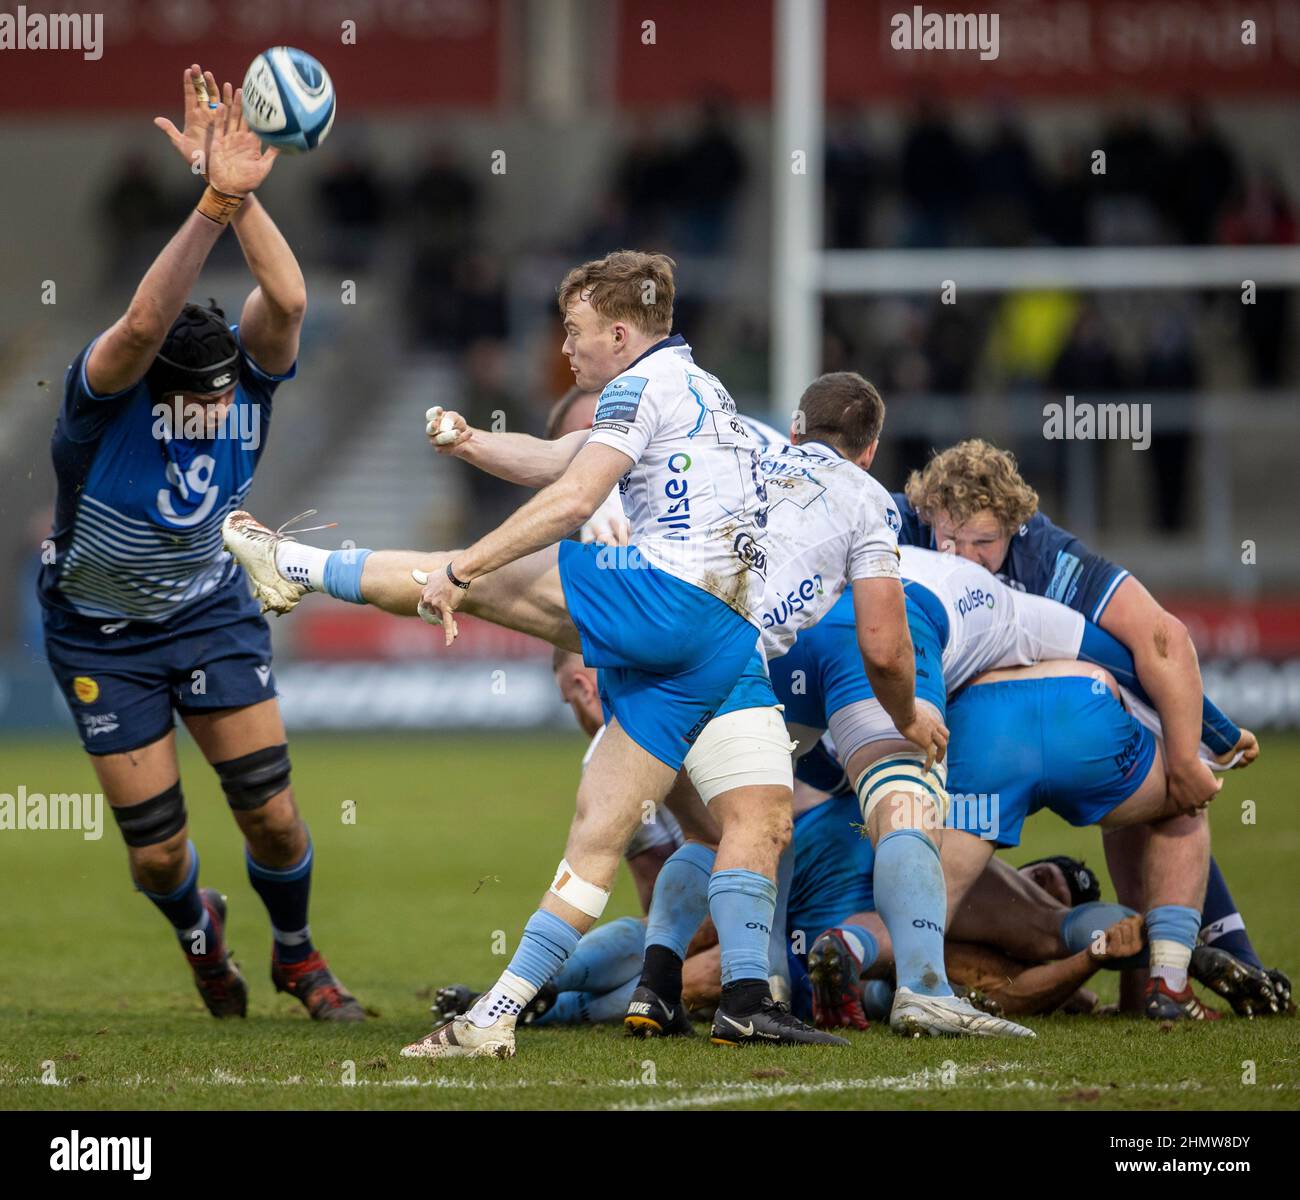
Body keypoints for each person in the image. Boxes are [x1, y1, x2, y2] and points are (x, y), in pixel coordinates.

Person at [225, 250, 819, 1057]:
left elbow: (574, 497)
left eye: (573, 331)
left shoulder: (639, 385)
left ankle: (294, 565)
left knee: (465, 581)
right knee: (665, 827)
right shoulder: (695, 382)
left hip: (665, 597)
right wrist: (472, 444)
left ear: (618, 330)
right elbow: (564, 461)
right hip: (718, 636)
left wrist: (471, 564)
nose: (564, 349)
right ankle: (542, 1011)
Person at [38, 66, 362, 1021]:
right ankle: (199, 931)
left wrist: (243, 195)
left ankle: (299, 959)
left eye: (227, 388)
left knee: (270, 810)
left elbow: (290, 302)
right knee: (158, 851)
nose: (219, 405)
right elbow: (143, 322)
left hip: (209, 609)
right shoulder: (98, 411)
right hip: (100, 635)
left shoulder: (245, 385)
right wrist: (212, 203)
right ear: (153, 391)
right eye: (199, 395)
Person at [897, 439, 1286, 1016]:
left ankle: (887, 979)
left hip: (972, 737)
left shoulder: (906, 533)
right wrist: (1202, 745)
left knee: (916, 901)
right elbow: (1158, 642)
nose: (963, 558)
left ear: (1015, 525)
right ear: (927, 515)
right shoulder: (1035, 553)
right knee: (1170, 805)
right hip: (1080, 716)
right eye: (950, 540)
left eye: (983, 543)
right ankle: (1165, 981)